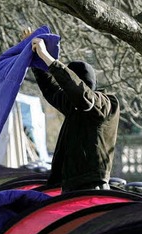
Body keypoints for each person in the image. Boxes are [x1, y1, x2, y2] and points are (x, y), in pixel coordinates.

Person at [29, 32, 120, 192]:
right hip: (71, 186)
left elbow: (80, 93)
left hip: (92, 188)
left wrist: (49, 59)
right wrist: (37, 58)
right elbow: (51, 90)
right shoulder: (75, 106)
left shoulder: (106, 104)